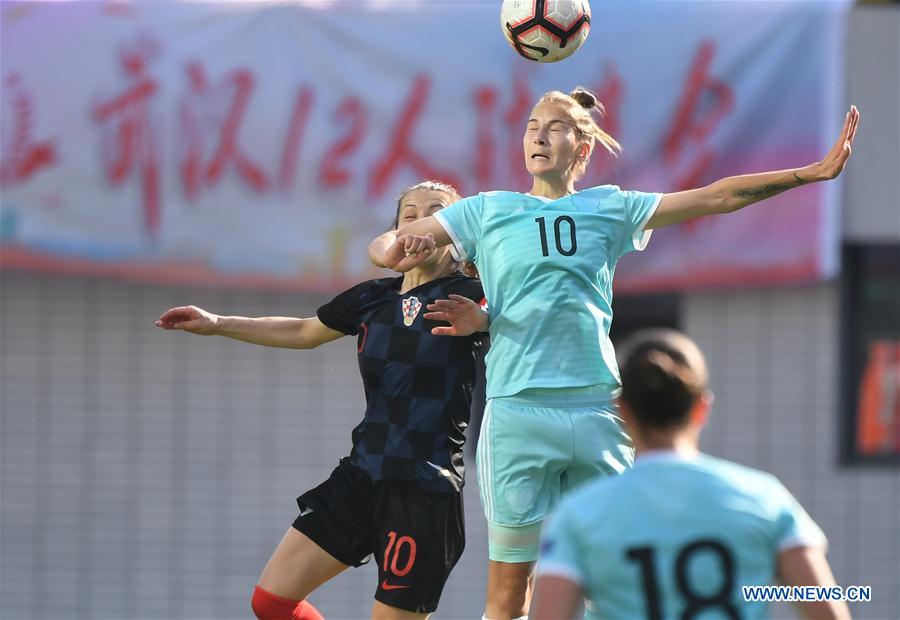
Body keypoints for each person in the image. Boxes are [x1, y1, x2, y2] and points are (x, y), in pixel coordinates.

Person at [368, 88, 859, 620]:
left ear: (582, 147)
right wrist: (396, 246)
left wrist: (805, 174)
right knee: (510, 594)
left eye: (555, 126)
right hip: (516, 411)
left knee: (615, 586)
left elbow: (716, 195)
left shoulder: (610, 206)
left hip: (599, 411)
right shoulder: (487, 210)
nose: (538, 133)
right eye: (533, 124)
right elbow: (386, 245)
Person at [156, 181, 486, 620]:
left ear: (455, 235)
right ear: (395, 231)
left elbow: (522, 322)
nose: (420, 222)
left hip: (424, 487)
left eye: (436, 212)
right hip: (362, 475)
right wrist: (217, 322)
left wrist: (485, 320)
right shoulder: (372, 299)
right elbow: (303, 331)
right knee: (271, 602)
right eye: (410, 213)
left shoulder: (474, 295)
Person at [531, 328, 851, 620]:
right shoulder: (765, 497)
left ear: (622, 411)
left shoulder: (579, 516)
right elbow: (829, 611)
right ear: (702, 407)